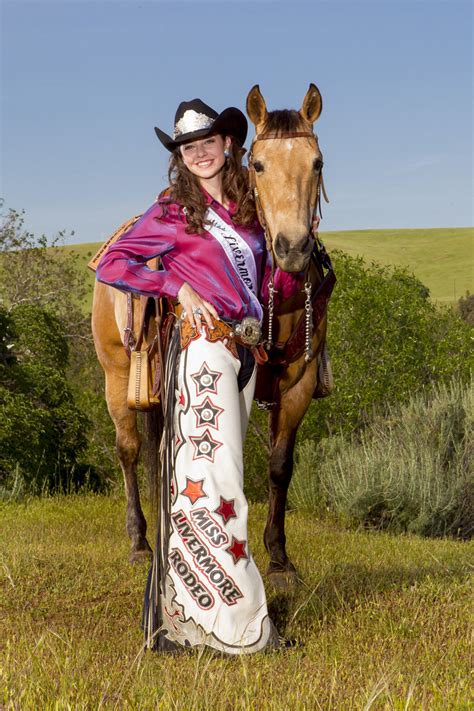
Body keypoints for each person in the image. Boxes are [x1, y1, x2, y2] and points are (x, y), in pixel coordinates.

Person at [96, 98, 305, 654]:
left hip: (241, 356)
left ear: (228, 144)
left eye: (208, 143)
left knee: (210, 484)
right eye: (189, 148)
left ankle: (188, 617)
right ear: (180, 158)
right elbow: (113, 262)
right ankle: (242, 629)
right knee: (218, 485)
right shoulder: (171, 212)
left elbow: (268, 279)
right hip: (202, 356)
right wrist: (176, 288)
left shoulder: (249, 207)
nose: (200, 153)